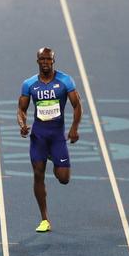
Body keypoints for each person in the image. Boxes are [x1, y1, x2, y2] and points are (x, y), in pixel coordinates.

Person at [17, 47, 82, 233]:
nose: (45, 62)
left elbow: (77, 105)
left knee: (64, 178)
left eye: (49, 59)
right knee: (38, 175)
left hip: (56, 136)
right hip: (38, 135)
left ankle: (54, 157)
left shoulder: (65, 81)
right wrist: (22, 124)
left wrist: (74, 128)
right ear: (37, 61)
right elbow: (21, 109)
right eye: (42, 59)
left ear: (54, 60)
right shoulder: (29, 84)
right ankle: (44, 218)